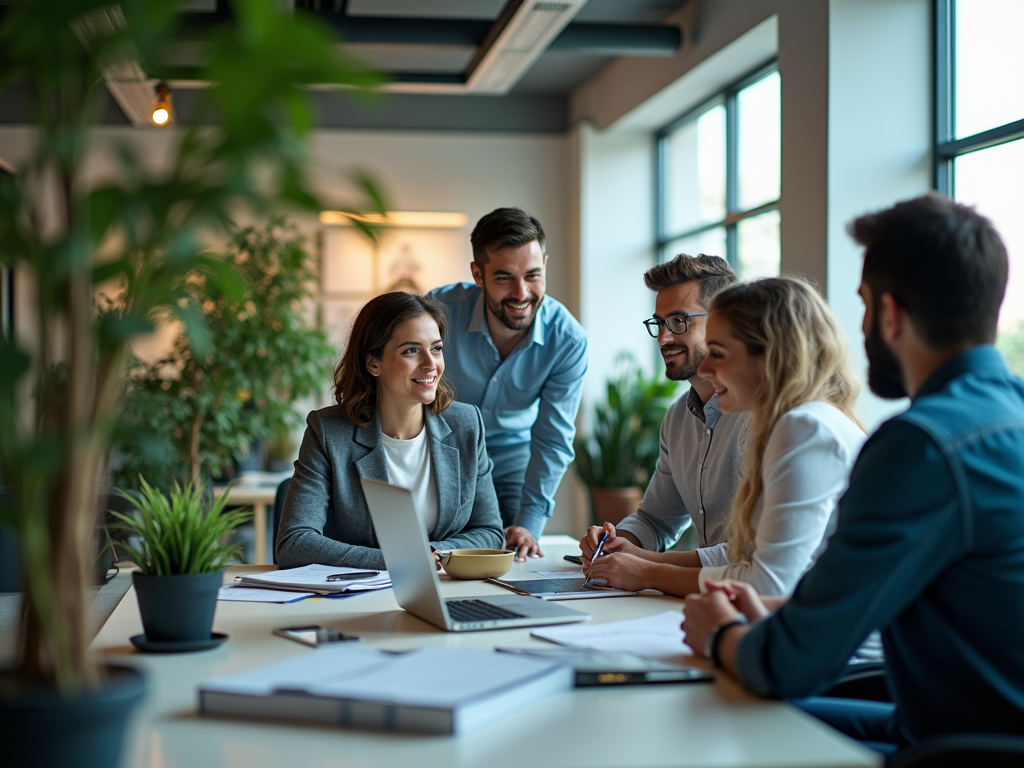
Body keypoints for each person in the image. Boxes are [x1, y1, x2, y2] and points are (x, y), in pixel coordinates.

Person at [682, 193, 1024, 757]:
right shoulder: (1003, 415)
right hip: (954, 722)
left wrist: (718, 633)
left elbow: (787, 666)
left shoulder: (921, 447)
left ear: (889, 313)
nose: (858, 328)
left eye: (864, 305)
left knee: (703, 720)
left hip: (955, 742)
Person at [585, 277, 865, 599]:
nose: (706, 369)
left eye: (718, 353)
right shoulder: (799, 422)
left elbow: (768, 583)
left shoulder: (804, 428)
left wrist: (648, 572)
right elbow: (747, 557)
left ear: (766, 355)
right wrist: (637, 558)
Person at [276, 292, 505, 569]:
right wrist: (400, 561)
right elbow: (294, 543)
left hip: (445, 590)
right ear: (373, 363)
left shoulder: (467, 424)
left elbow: (490, 533)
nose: (430, 364)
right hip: (357, 598)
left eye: (436, 348)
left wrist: (432, 553)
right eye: (411, 350)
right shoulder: (327, 432)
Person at [429, 208, 587, 561]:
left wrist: (529, 523)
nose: (521, 293)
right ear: (477, 274)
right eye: (504, 278)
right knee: (437, 550)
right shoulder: (437, 313)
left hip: (514, 457)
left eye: (533, 275)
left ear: (545, 265)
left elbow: (553, 437)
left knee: (516, 550)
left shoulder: (568, 340)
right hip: (442, 452)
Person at [579, 254, 748, 562]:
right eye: (659, 323)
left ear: (723, 321)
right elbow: (656, 520)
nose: (663, 337)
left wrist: (645, 567)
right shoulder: (677, 419)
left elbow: (753, 556)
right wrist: (615, 541)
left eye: (679, 322)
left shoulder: (758, 416)